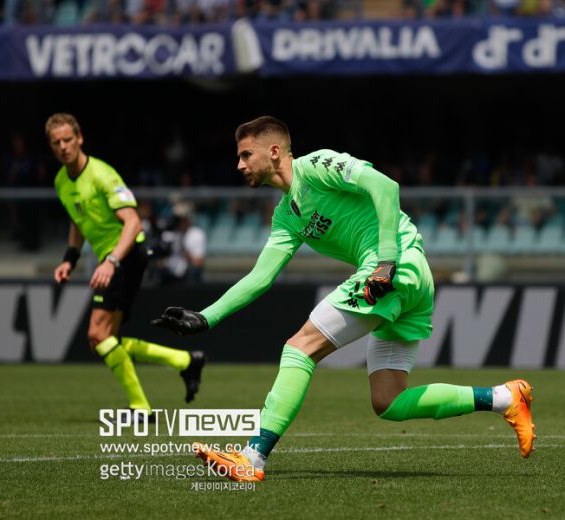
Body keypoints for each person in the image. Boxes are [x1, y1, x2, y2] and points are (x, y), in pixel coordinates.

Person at [152, 116, 535, 482]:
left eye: (245, 155)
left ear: (274, 152)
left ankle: (252, 458)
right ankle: (503, 397)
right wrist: (208, 317)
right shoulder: (286, 215)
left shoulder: (317, 165)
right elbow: (260, 277)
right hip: (407, 277)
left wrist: (385, 262)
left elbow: (386, 187)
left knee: (300, 348)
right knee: (388, 401)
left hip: (393, 265)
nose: (239, 165)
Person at [46, 113, 206, 416]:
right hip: (115, 259)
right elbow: (77, 221)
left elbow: (133, 223)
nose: (63, 146)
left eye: (68, 139)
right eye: (57, 142)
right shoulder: (61, 181)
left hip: (126, 255)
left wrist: (111, 261)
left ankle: (140, 406)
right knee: (107, 340)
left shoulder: (102, 175)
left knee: (98, 335)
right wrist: (70, 259)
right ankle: (185, 362)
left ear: (80, 138)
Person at [159, 201, 206, 285]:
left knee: (193, 271)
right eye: (177, 219)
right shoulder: (171, 234)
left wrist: (184, 250)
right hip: (171, 272)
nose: (179, 222)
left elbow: (198, 262)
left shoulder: (197, 234)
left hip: (187, 273)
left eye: (182, 219)